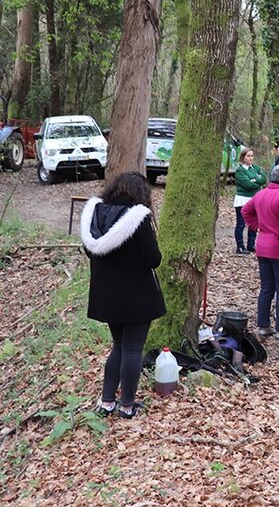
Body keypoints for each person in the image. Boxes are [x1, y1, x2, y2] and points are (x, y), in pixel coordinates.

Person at [82, 173, 166, 418]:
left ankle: (107, 402)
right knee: (132, 350)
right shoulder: (137, 218)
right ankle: (127, 406)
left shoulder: (94, 215)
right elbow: (154, 259)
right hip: (137, 296)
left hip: (107, 296)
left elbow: (90, 252)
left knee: (118, 347)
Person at [242, 165, 279, 340]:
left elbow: (246, 211)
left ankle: (263, 326)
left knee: (266, 288)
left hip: (263, 246)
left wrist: (257, 227)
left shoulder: (261, 194)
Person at [233, 148, 266, 255]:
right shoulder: (240, 170)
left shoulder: (255, 168)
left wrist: (254, 180)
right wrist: (256, 180)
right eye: (248, 156)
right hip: (242, 200)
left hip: (254, 199)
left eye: (252, 156)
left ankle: (251, 245)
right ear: (243, 157)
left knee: (253, 223)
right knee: (241, 224)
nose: (251, 158)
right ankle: (240, 247)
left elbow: (263, 179)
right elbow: (247, 185)